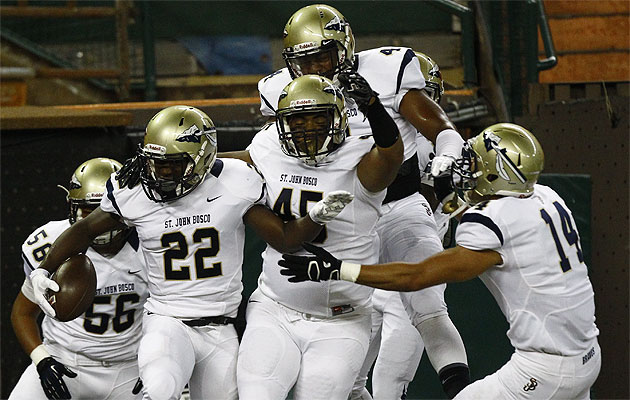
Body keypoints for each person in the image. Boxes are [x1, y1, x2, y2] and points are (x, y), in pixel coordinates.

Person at [26, 105, 354, 400]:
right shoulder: (135, 191)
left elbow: (284, 239)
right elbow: (83, 230)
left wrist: (315, 218)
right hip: (167, 321)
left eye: (170, 166)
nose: (159, 174)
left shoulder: (235, 183)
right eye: (154, 163)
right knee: (160, 389)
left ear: (201, 159)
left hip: (221, 328)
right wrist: (44, 268)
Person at [279, 123, 602, 400]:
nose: (468, 167)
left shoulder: (491, 221)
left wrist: (338, 269)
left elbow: (417, 276)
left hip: (544, 367)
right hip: (588, 355)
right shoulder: (547, 196)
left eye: (475, 162)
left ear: (495, 172)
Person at [256, 5, 470, 398]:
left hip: (398, 207)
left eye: (322, 55)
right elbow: (273, 152)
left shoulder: (387, 70)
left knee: (427, 305)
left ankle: (461, 392)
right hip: (341, 218)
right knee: (351, 354)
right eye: (303, 60)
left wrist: (445, 161)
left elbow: (442, 128)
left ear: (345, 46)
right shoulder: (280, 90)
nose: (315, 68)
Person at [228, 71, 402, 399]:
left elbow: (391, 155)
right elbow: (234, 166)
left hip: (341, 320)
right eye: (297, 120)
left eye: (317, 118)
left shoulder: (357, 154)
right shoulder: (268, 147)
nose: (307, 129)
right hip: (274, 308)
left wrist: (374, 107)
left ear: (338, 118)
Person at [9, 158, 149, 400]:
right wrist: (42, 361)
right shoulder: (48, 244)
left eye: (105, 210)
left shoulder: (152, 242)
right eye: (88, 209)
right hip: (64, 361)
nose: (98, 221)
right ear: (72, 208)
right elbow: (22, 313)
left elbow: (169, 314)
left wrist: (155, 361)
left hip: (129, 368)